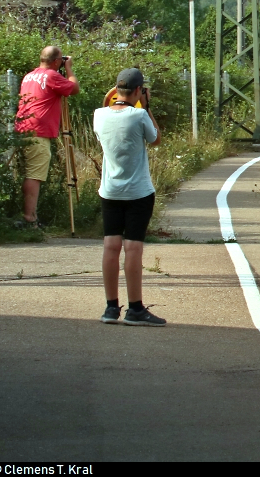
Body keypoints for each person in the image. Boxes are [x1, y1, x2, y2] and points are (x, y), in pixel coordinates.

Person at [93, 68, 164, 327]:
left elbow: (108, 122)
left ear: (116, 88)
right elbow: (155, 139)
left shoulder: (98, 115)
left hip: (110, 191)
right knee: (132, 247)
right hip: (138, 192)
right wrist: (146, 107)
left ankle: (111, 308)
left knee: (110, 246)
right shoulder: (138, 116)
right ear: (138, 91)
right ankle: (135, 308)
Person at [14, 46, 80, 229]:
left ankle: (29, 215)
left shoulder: (29, 75)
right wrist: (69, 69)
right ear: (56, 61)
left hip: (24, 128)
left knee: (30, 172)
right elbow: (74, 88)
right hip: (38, 131)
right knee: (34, 175)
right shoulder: (52, 76)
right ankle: (30, 218)